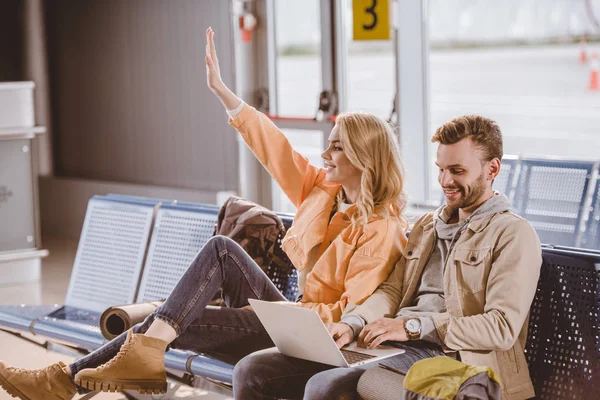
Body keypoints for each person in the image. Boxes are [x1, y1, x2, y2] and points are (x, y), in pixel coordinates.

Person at [0, 27, 409, 399]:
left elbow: (350, 316)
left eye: (336, 146)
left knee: (169, 322)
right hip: (289, 317)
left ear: (363, 157)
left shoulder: (382, 228)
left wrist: (282, 315)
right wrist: (224, 94)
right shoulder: (325, 190)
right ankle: (76, 377)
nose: (325, 153)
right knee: (220, 251)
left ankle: (60, 381)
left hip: (314, 337)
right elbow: (275, 148)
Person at [234, 115, 542, 400]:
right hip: (395, 347)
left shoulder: (513, 234)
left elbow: (500, 327)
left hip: (455, 359)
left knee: (324, 387)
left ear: (492, 169)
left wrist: (413, 327)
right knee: (253, 370)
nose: (445, 181)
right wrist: (352, 323)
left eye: (457, 171)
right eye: (440, 169)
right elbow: (392, 290)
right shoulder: (428, 226)